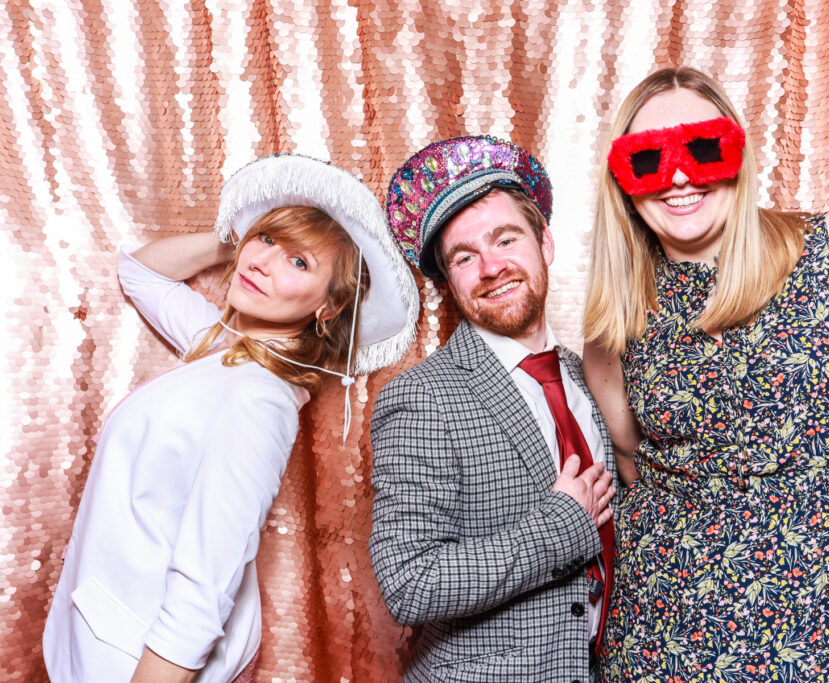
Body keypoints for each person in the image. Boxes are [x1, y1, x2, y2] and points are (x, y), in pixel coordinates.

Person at [583, 67, 829, 682]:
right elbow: (637, 471)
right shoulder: (617, 326)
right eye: (649, 158)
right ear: (621, 180)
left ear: (737, 152)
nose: (680, 176)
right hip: (670, 644)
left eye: (703, 148)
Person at [43, 154, 418, 682]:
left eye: (300, 263)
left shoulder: (259, 401)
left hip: (137, 664)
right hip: (102, 638)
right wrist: (241, 238)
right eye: (267, 240)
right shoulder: (223, 348)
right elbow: (141, 271)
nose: (263, 262)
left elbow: (204, 588)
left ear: (327, 309)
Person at [370, 136, 616, 681]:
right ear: (448, 282)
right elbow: (409, 584)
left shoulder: (586, 375)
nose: (491, 267)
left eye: (506, 239)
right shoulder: (420, 399)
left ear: (545, 243)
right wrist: (560, 526)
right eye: (464, 257)